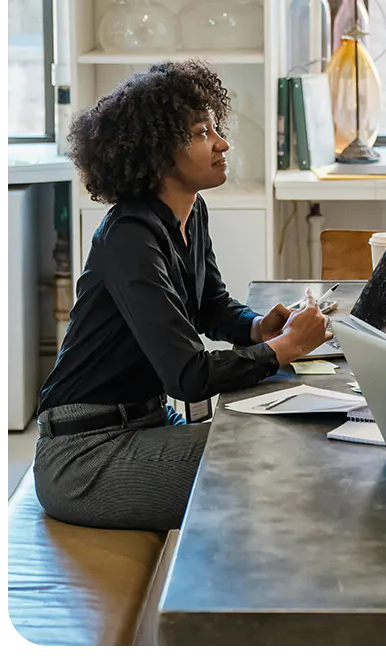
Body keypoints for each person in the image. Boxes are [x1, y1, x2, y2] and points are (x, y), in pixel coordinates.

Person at [33, 60, 330, 532]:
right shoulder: (129, 237)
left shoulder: (191, 212)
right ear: (157, 153)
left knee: (282, 439)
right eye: (201, 133)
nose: (222, 143)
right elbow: (188, 376)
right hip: (87, 455)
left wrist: (257, 327)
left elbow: (211, 305)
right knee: (281, 457)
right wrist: (285, 348)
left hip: (144, 425)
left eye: (216, 127)